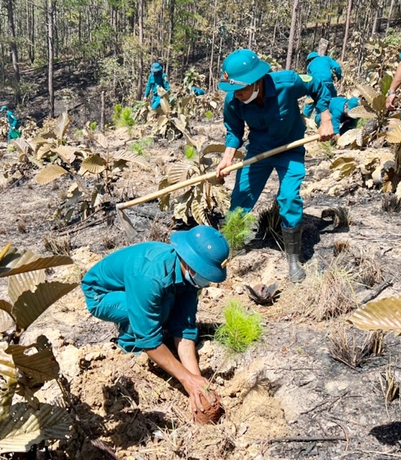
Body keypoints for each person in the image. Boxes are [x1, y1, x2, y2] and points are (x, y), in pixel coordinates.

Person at [81, 225, 229, 419]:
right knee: (155, 313)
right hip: (102, 294)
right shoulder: (151, 276)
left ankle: (146, 326)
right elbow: (149, 340)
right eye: (205, 274)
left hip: (139, 287)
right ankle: (129, 346)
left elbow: (184, 328)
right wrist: (185, 380)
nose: (206, 281)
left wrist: (197, 381)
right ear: (190, 263)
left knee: (164, 308)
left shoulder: (190, 277)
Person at [215, 48, 335, 283]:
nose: (236, 94)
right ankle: (229, 245)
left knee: (289, 198)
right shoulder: (233, 101)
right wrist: (228, 157)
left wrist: (326, 120)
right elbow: (234, 131)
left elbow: (319, 87)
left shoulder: (287, 82)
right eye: (233, 90)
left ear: (256, 81)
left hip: (291, 148)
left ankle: (293, 258)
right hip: (259, 150)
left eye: (240, 89)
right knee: (241, 197)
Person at [302, 51, 342, 120]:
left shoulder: (309, 66)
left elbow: (309, 80)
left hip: (316, 84)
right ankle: (337, 115)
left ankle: (304, 119)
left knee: (310, 101)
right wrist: (339, 76)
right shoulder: (326, 59)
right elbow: (337, 67)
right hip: (328, 83)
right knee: (333, 98)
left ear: (310, 60)